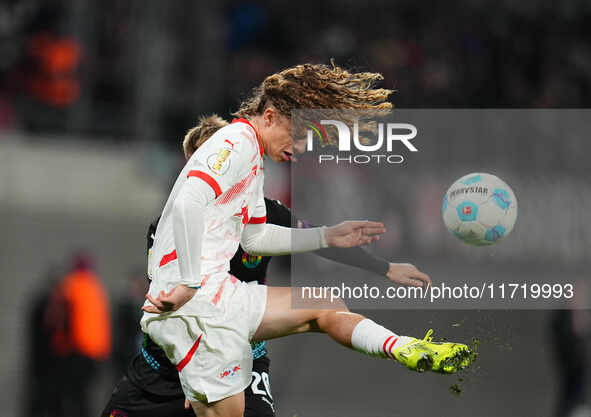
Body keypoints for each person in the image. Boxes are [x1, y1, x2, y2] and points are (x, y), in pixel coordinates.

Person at [142, 62, 473, 417]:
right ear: (269, 116)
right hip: (197, 307)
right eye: (297, 136)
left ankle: (404, 347)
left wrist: (326, 236)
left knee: (323, 304)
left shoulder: (253, 158)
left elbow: (254, 237)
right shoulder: (234, 143)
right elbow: (190, 201)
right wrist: (189, 284)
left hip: (218, 295)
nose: (300, 148)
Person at [102, 115, 425, 417]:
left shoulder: (265, 212)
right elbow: (165, 295)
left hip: (239, 350)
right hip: (166, 363)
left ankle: (400, 346)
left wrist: (384, 268)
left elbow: (325, 243)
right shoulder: (167, 227)